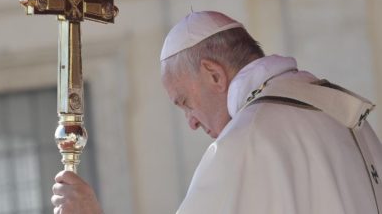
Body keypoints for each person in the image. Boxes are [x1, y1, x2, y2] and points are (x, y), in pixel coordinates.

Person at [51, 11, 382, 214]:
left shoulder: (250, 139)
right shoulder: (345, 116)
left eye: (185, 102)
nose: (192, 122)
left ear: (214, 75)